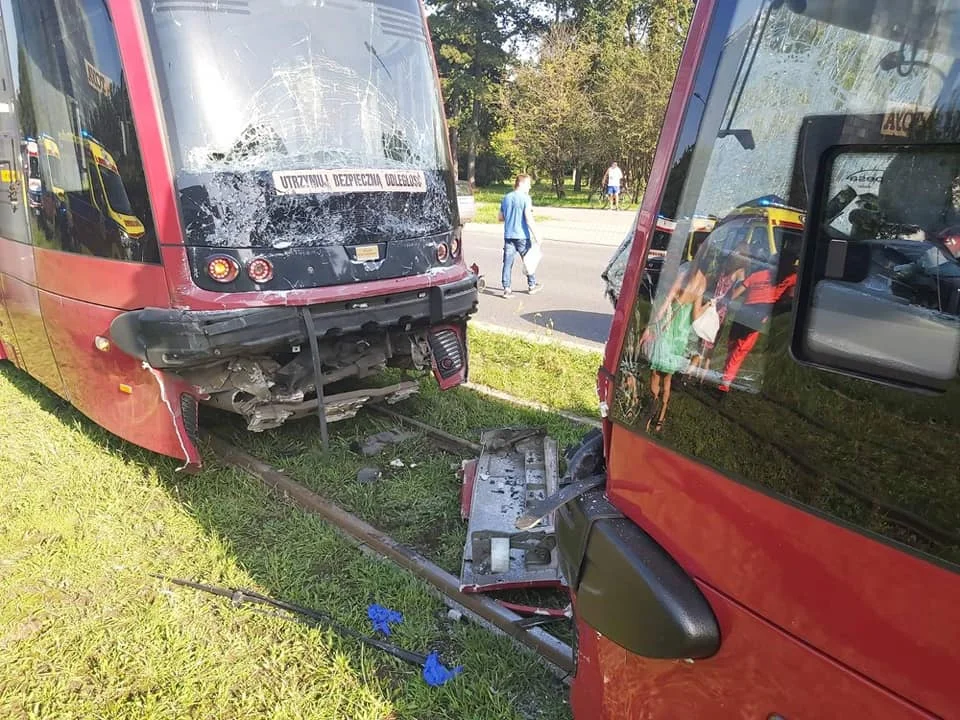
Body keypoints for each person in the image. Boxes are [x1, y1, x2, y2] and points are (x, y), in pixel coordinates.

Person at [639, 254, 711, 433]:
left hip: (668, 328)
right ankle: (661, 416)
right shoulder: (703, 282)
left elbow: (666, 302)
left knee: (656, 373)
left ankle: (651, 411)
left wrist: (651, 326)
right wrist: (709, 306)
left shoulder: (683, 274)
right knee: (668, 377)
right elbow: (695, 316)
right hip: (681, 333)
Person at [498, 174, 543, 297]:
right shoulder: (525, 198)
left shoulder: (506, 198)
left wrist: (511, 215)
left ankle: (507, 289)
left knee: (507, 263)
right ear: (521, 183)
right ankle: (532, 285)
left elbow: (500, 217)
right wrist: (537, 234)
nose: (529, 187)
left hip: (509, 236)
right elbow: (528, 218)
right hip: (522, 235)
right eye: (528, 184)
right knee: (529, 261)